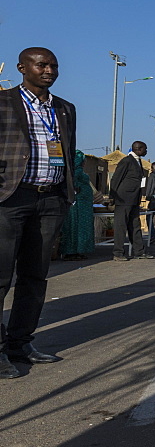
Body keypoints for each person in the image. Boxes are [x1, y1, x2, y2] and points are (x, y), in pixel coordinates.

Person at [0, 47, 76, 379]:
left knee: (34, 277)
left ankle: (19, 344)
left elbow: (69, 153)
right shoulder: (3, 103)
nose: (49, 70)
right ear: (22, 67)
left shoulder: (64, 108)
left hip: (50, 201)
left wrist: (65, 195)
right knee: (1, 278)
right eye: (41, 65)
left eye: (53, 66)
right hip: (11, 199)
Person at [110, 141, 151, 261]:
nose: (146, 151)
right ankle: (118, 253)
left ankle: (139, 252)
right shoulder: (126, 161)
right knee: (121, 226)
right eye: (145, 149)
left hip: (134, 199)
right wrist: (113, 196)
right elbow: (116, 178)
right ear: (139, 149)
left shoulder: (138, 161)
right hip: (123, 199)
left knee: (135, 226)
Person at [59, 150, 95, 260]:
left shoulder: (76, 171)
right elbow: (73, 185)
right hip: (78, 206)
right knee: (75, 228)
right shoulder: (76, 171)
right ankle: (72, 251)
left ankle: (78, 250)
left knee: (78, 228)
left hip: (82, 205)